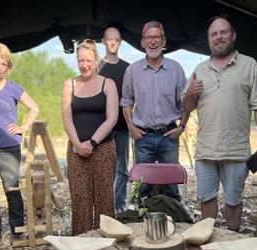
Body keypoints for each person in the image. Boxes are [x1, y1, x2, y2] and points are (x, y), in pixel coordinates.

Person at [182, 15, 257, 231]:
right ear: (209, 39)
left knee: (233, 201)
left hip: (236, 149)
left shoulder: (249, 65)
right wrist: (191, 93)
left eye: (223, 32)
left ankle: (232, 240)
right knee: (206, 198)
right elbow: (186, 106)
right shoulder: (199, 69)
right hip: (206, 150)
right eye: (214, 34)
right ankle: (207, 241)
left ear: (233, 35)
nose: (219, 37)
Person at [121, 21, 188, 202]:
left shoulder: (176, 69)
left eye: (157, 37)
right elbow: (126, 101)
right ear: (142, 42)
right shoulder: (132, 70)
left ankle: (174, 225)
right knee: (143, 187)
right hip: (143, 138)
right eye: (149, 37)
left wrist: (182, 127)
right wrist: (131, 127)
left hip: (169, 136)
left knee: (171, 187)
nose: (153, 42)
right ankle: (144, 226)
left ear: (164, 40)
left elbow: (185, 103)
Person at [0, 42, 39, 241]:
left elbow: (34, 108)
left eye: (3, 64)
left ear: (8, 67)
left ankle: (17, 230)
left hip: (9, 146)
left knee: (12, 189)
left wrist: (23, 127)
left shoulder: (12, 87)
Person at [62, 39, 118, 235]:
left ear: (96, 60)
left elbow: (112, 119)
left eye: (88, 60)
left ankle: (107, 245)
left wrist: (92, 143)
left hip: (103, 149)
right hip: (76, 151)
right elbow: (66, 117)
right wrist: (77, 144)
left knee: (104, 200)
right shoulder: (69, 84)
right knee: (80, 202)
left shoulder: (108, 84)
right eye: (80, 60)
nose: (84, 65)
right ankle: (80, 247)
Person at [98, 27, 130, 214]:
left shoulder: (127, 68)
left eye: (116, 40)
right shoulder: (96, 66)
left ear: (120, 42)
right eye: (110, 39)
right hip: (102, 127)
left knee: (122, 169)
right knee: (103, 169)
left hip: (123, 127)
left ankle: (120, 205)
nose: (113, 43)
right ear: (103, 41)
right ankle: (104, 206)